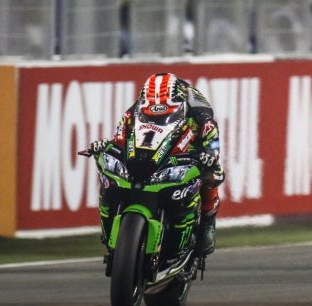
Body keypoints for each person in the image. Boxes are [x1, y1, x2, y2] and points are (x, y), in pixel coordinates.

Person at [88, 72, 225, 256]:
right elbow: (120, 136)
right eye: (151, 112)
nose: (156, 116)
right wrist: (108, 145)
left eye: (164, 112)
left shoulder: (200, 111)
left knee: (213, 174)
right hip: (153, 149)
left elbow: (213, 139)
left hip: (189, 146)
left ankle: (208, 224)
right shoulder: (134, 110)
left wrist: (210, 155)